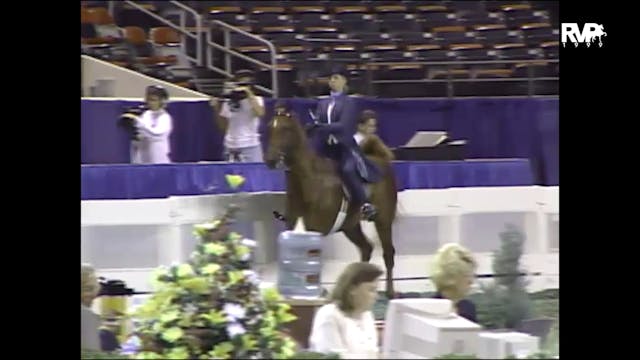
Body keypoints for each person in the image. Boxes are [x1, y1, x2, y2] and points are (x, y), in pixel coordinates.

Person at [308, 66, 381, 221]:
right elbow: (318, 122)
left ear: (344, 80)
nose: (332, 81)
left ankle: (365, 204)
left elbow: (343, 125)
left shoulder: (348, 102)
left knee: (347, 169)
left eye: (335, 78)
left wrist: (321, 127)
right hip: (324, 148)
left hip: (343, 148)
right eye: (331, 78)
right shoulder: (322, 103)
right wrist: (312, 128)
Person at [309, 262, 382, 358]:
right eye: (371, 290)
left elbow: (372, 354)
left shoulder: (367, 316)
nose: (376, 296)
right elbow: (332, 357)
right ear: (352, 289)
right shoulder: (329, 315)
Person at [210, 69, 265, 162]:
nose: (241, 87)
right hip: (231, 146)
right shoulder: (228, 102)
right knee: (231, 176)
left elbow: (260, 113)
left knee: (254, 175)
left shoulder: (256, 100)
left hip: (250, 145)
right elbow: (223, 127)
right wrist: (216, 108)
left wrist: (248, 94)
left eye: (244, 85)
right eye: (239, 84)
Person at [430, 243, 478, 322]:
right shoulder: (429, 309)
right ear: (450, 276)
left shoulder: (469, 309)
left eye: (472, 275)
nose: (471, 281)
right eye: (467, 275)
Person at [127, 85, 173, 164]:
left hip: (158, 161)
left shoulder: (165, 117)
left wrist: (137, 123)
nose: (149, 103)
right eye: (148, 99)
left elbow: (156, 135)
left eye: (153, 100)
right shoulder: (146, 115)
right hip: (142, 160)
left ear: (162, 102)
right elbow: (140, 137)